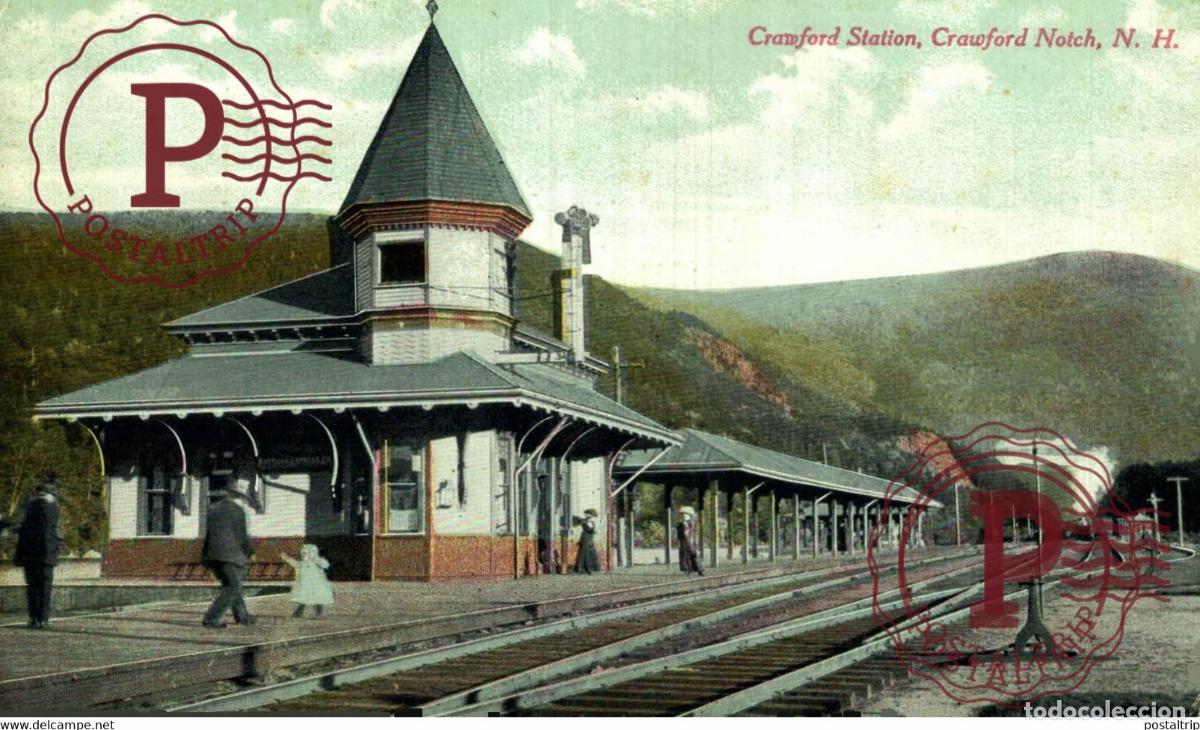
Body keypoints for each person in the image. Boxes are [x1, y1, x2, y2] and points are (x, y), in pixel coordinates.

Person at [201, 490, 255, 629]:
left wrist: (205, 556)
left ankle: (243, 617)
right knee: (233, 586)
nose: (246, 503)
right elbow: (241, 535)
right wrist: (250, 551)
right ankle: (211, 618)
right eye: (245, 500)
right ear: (239, 499)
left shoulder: (213, 509)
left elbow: (208, 534)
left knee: (231, 585)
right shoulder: (237, 510)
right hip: (230, 555)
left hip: (213, 555)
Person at [14, 473, 62, 629]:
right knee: (45, 587)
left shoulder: (28, 505)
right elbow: (58, 532)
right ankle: (43, 618)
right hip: (47, 553)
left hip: (29, 553)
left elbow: (19, 525)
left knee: (32, 586)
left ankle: (33, 618)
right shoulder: (54, 506)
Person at [281, 544, 334, 618]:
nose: (302, 554)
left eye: (304, 553)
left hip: (317, 584)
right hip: (306, 584)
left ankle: (318, 614)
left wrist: (316, 559)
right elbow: (296, 564)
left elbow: (326, 565)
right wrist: (287, 558)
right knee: (303, 598)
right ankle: (298, 612)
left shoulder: (317, 561)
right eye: (302, 552)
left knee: (318, 599)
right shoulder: (304, 563)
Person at [676, 505, 704, 576]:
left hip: (690, 542)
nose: (683, 516)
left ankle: (698, 569)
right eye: (682, 514)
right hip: (685, 542)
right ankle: (689, 569)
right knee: (686, 555)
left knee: (692, 555)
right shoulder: (681, 524)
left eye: (685, 514)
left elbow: (691, 533)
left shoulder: (691, 523)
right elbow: (680, 535)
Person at [573, 508, 602, 575]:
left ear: (590, 515)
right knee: (585, 554)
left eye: (586, 513)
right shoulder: (586, 521)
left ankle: (586, 569)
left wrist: (592, 530)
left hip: (587, 539)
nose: (585, 515)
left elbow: (591, 530)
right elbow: (590, 530)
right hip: (586, 538)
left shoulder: (589, 521)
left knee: (586, 554)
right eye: (585, 514)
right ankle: (584, 569)